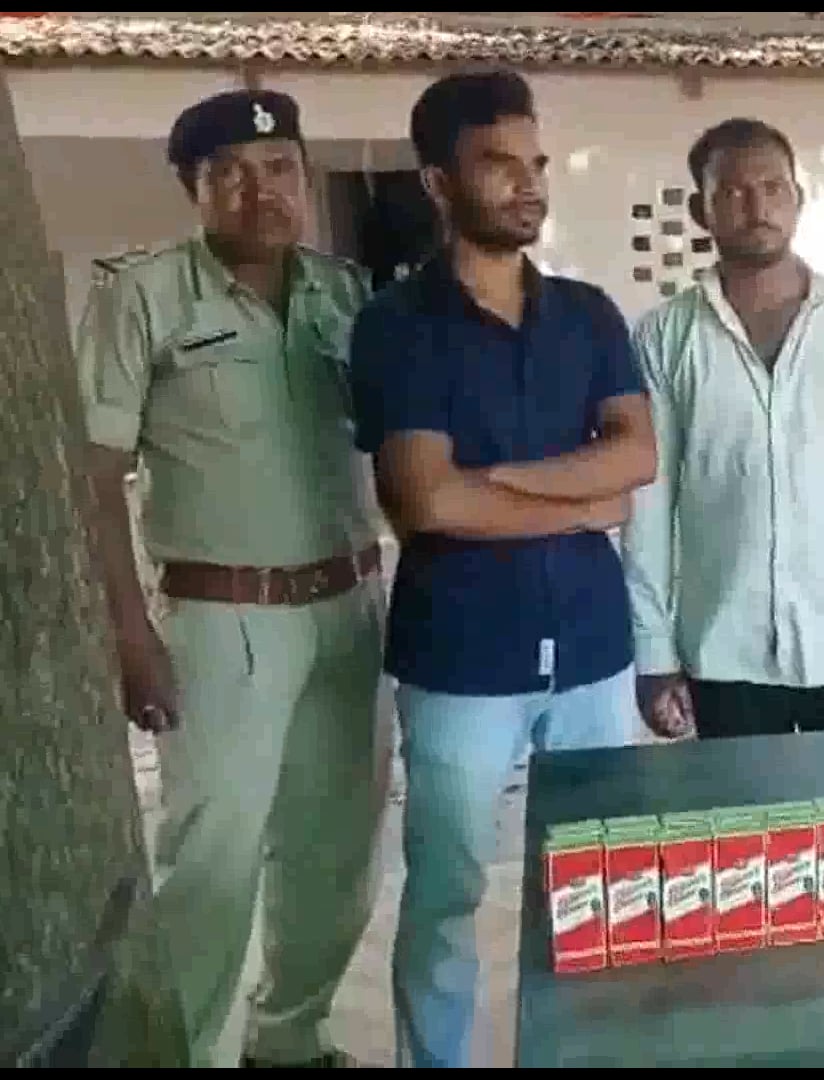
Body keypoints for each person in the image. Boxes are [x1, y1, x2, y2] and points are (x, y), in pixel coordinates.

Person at [347, 70, 657, 1068]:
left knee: (597, 880)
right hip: (460, 658)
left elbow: (637, 460)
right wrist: (577, 496)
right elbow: (424, 502)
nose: (529, 184)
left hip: (595, 648)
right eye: (498, 164)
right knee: (447, 891)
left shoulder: (589, 315)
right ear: (438, 183)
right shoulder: (398, 324)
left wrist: (491, 483)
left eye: (537, 163)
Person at [73, 88, 387, 1068]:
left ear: (305, 175)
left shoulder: (346, 295)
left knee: (336, 854)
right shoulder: (143, 298)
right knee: (212, 862)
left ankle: (289, 1041)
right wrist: (129, 633)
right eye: (231, 176)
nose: (263, 192)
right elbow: (93, 476)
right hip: (222, 621)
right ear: (192, 188)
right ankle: (179, 1054)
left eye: (281, 169)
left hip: (351, 608)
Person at [624, 118, 824, 740]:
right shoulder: (666, 335)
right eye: (732, 192)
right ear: (701, 210)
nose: (757, 206)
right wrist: (653, 652)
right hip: (723, 652)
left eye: (772, 187)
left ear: (798, 198)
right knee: (737, 807)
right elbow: (648, 506)